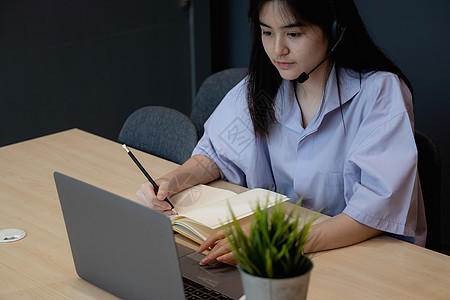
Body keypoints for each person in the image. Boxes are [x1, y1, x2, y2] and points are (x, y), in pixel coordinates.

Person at [137, 0, 427, 266]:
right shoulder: (263, 87)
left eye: (294, 34)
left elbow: (373, 215)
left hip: (357, 259)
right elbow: (216, 153)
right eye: (267, 32)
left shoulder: (379, 93)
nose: (278, 50)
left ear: (335, 30)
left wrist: (275, 244)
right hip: (279, 249)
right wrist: (170, 182)